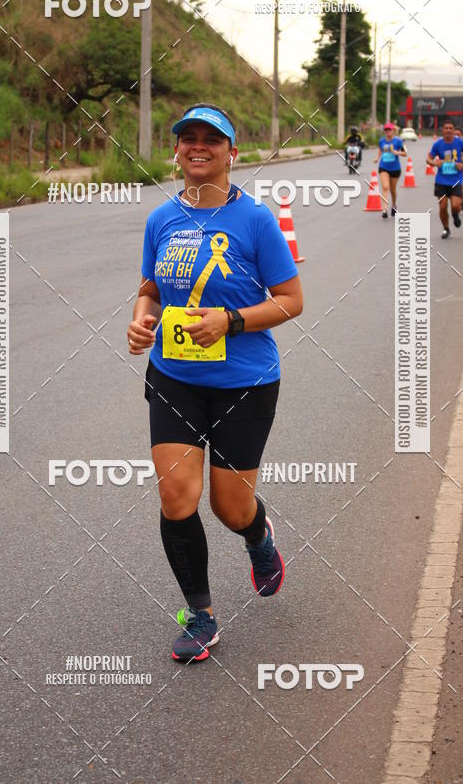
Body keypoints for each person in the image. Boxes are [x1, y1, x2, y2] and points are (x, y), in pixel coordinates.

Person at [127, 103, 304, 662]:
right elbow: (151, 286)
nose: (197, 147)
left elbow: (291, 300)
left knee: (231, 508)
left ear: (232, 153)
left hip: (245, 382)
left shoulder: (254, 219)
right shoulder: (162, 219)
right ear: (176, 150)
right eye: (188, 138)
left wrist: (229, 320)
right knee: (177, 496)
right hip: (174, 378)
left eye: (211, 139)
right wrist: (141, 318)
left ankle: (258, 536)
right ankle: (200, 615)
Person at [427, 118, 463, 238]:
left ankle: (455, 215)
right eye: (446, 128)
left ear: (454, 130)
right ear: (443, 130)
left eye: (451, 128)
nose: (448, 130)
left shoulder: (460, 143)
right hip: (441, 180)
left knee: (456, 205)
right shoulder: (438, 144)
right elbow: (428, 159)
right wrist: (435, 163)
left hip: (456, 180)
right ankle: (446, 229)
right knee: (442, 206)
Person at [373, 122, 406, 218]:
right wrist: (377, 158)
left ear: (393, 130)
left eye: (389, 130)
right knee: (385, 187)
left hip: (395, 168)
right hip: (384, 167)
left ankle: (394, 205)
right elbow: (380, 149)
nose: (387, 131)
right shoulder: (381, 141)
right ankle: (384, 209)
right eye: (386, 130)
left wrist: (398, 152)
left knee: (393, 190)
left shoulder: (398, 141)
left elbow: (405, 153)